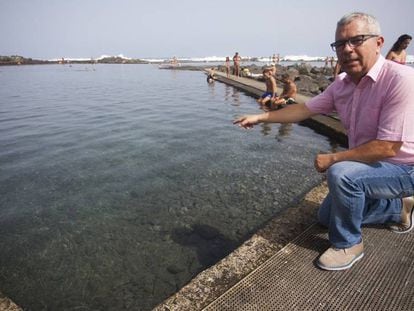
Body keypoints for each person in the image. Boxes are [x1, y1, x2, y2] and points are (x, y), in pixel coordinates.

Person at [234, 12, 414, 271]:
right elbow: (303, 110)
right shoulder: (342, 84)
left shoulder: (401, 80)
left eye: (356, 40)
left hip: (405, 168)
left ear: (378, 42)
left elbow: (388, 147)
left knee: (342, 173)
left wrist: (333, 159)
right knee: (325, 217)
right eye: (340, 44)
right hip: (372, 168)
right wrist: (261, 117)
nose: (347, 49)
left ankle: (349, 244)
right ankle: (397, 209)